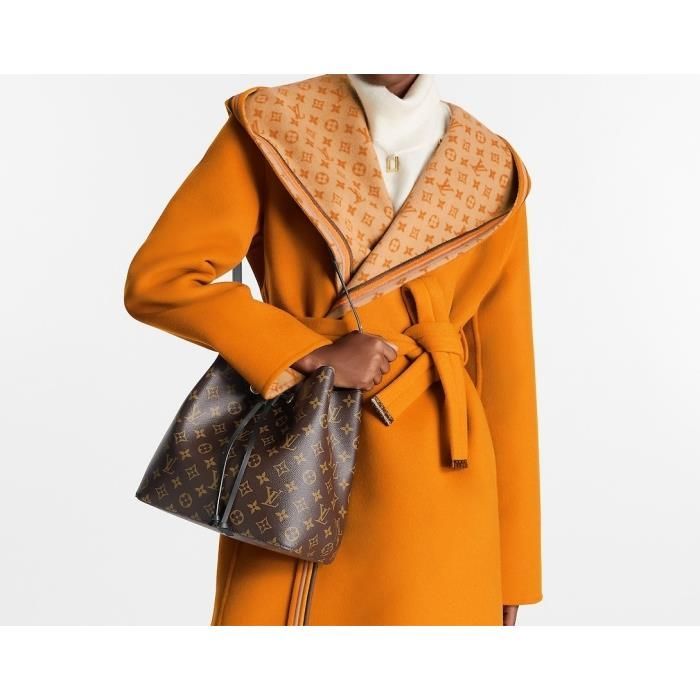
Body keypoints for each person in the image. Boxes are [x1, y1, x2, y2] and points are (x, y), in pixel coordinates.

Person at [124, 74, 542, 626]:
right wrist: (309, 353)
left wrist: (513, 566)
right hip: (305, 458)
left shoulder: (492, 166)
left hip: (443, 478)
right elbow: (162, 280)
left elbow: (504, 374)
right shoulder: (276, 123)